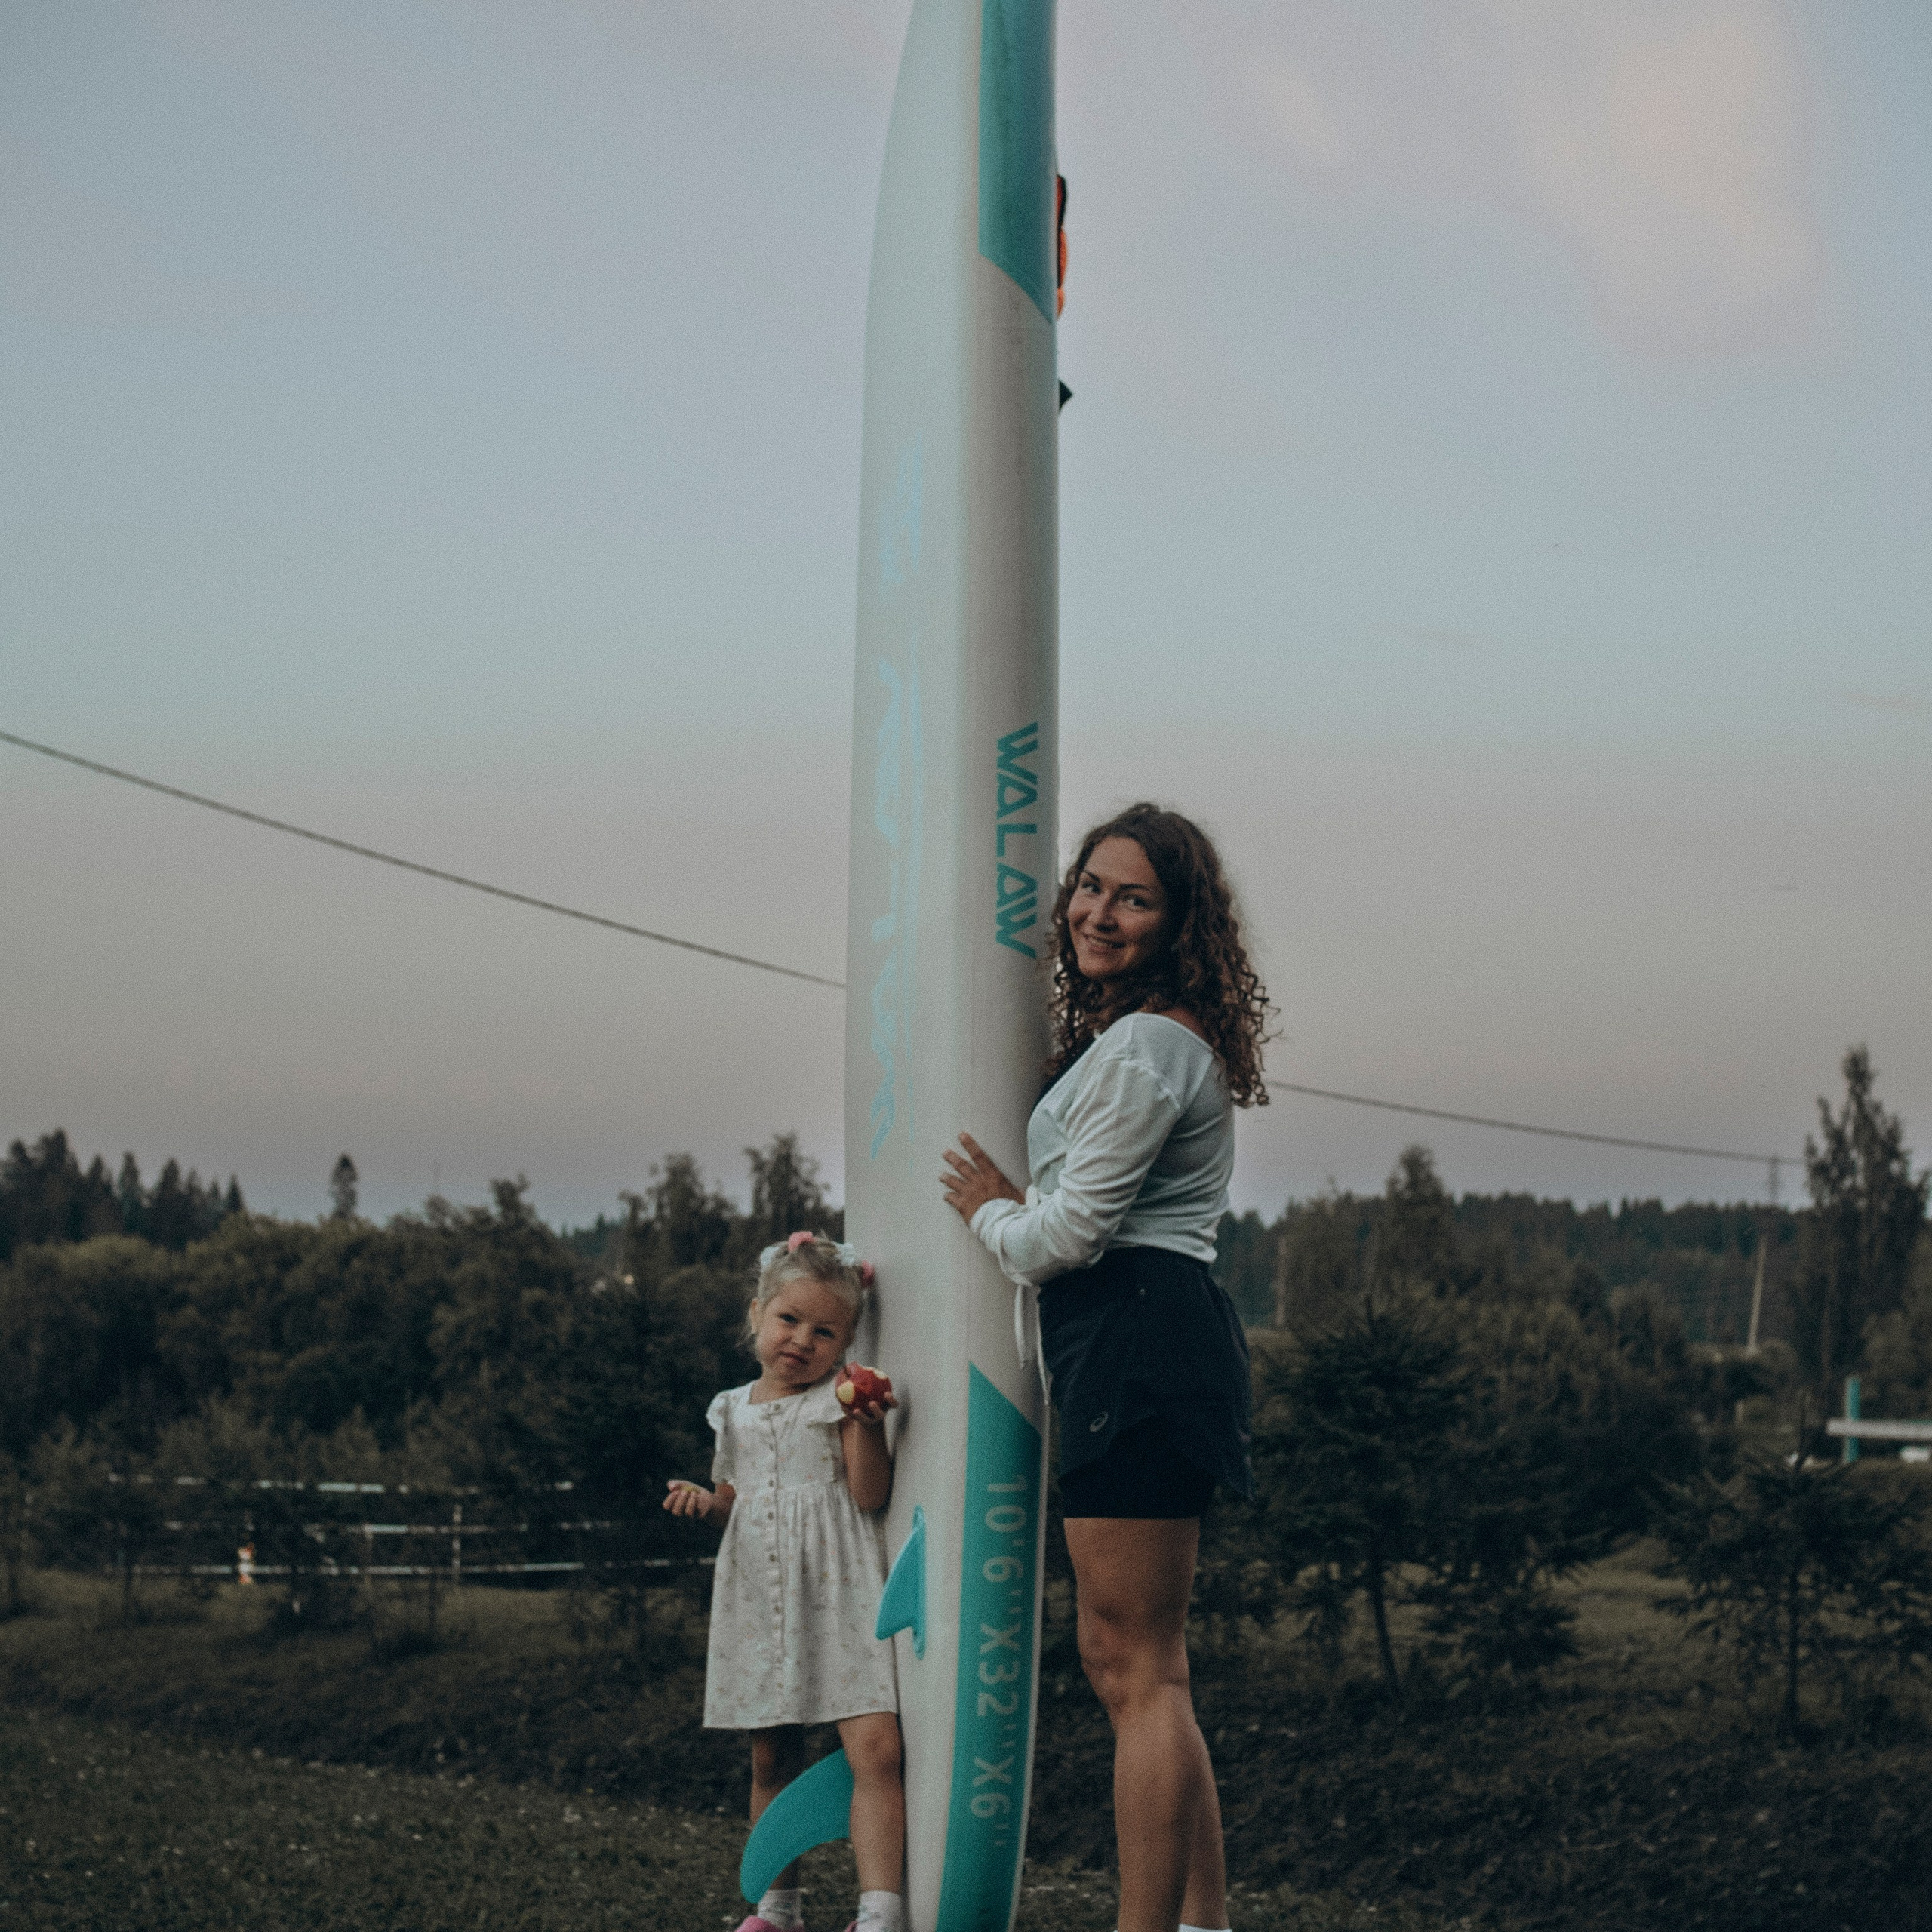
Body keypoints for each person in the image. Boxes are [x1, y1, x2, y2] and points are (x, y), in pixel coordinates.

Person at [940, 803, 1269, 1932]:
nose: (1097, 911)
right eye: (1089, 886)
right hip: (1137, 1336)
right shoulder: (1133, 1041)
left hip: (1134, 1329)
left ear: (1179, 923)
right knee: (1150, 1668)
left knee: (1135, 1668)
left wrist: (990, 1213)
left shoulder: (1149, 1048)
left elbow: (1068, 1235)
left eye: (1133, 897)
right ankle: (1203, 1925)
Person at [665, 1232, 906, 1932]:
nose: (802, 1339)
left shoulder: (839, 1400)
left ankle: (880, 1910)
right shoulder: (730, 1408)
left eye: (824, 1330)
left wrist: (865, 1427)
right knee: (771, 1755)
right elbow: (732, 1498)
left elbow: (867, 1496)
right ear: (757, 1316)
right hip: (761, 1596)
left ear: (846, 1342)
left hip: (839, 1589)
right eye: (789, 1320)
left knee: (876, 1747)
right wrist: (703, 1501)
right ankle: (779, 1909)